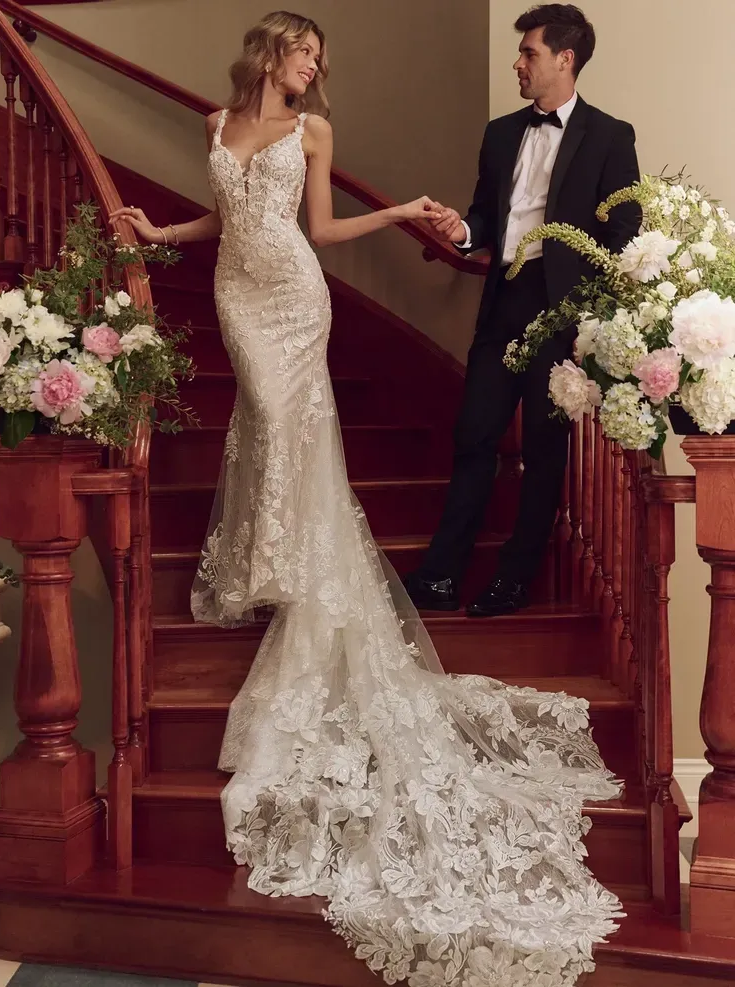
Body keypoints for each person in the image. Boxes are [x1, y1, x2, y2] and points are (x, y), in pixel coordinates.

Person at [110, 11, 624, 985]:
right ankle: (271, 556)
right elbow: (226, 215)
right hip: (236, 294)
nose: (316, 68)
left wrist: (390, 217)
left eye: (321, 58)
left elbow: (316, 229)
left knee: (285, 420)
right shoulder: (218, 124)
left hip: (297, 298)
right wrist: (160, 232)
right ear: (271, 52)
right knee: (264, 423)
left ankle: (294, 560)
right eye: (305, 53)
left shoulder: (314, 132)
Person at [407, 3, 642, 618]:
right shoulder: (500, 132)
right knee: (473, 435)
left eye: (528, 52)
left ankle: (515, 579)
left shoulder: (610, 135)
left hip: (560, 311)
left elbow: (624, 230)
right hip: (504, 299)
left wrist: (587, 313)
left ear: (565, 59)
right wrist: (462, 231)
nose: (518, 63)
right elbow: (486, 216)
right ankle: (441, 575)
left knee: (543, 447)